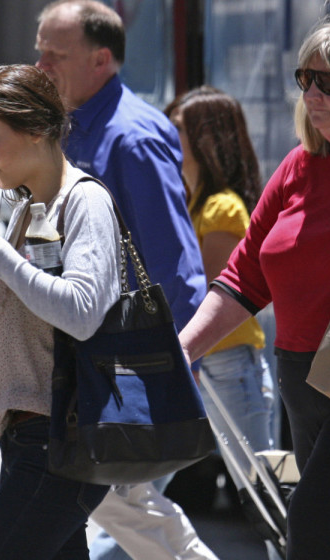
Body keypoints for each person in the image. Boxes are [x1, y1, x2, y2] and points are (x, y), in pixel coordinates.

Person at [34, 2, 215, 559]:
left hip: (122, 366)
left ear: (102, 60)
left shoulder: (131, 139)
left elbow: (175, 264)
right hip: (82, 356)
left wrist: (174, 365)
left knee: (117, 503)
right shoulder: (69, 126)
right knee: (90, 502)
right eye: (38, 51)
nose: (40, 67)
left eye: (55, 56)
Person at [0, 63, 120, 559]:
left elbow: (80, 312)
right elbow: (7, 324)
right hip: (30, 436)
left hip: (61, 437)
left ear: (35, 127)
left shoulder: (83, 202)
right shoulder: (29, 210)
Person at [179, 16, 330, 559]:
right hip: (300, 384)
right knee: (295, 518)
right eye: (304, 79)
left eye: (328, 81)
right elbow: (243, 278)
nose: (313, 93)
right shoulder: (296, 168)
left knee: (308, 534)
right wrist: (182, 350)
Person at [164, 86, 273, 466]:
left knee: (263, 486)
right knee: (144, 478)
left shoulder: (221, 207)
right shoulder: (192, 201)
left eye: (177, 126)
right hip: (199, 357)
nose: (166, 131)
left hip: (225, 363)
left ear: (206, 137)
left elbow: (212, 294)